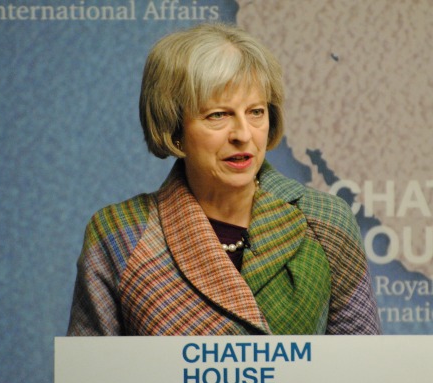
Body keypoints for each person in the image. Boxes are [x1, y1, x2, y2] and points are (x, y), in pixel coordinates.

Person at [67, 23, 381, 336]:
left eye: (256, 112)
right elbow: (93, 379)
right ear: (175, 128)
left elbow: (364, 370)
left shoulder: (325, 220)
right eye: (218, 115)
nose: (244, 135)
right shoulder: (120, 233)